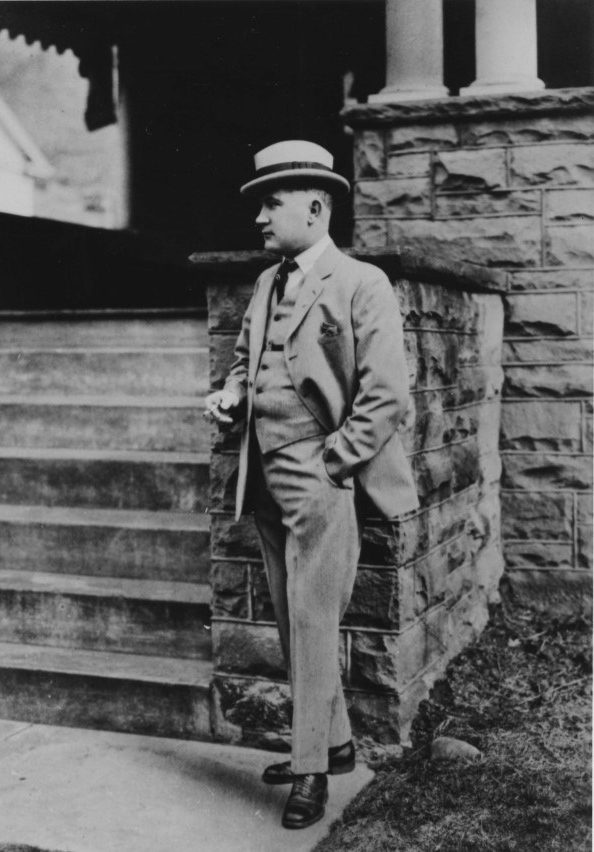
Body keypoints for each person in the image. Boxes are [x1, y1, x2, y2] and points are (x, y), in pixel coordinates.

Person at [205, 140, 419, 830]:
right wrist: (231, 395)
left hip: (318, 472)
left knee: (314, 617)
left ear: (316, 206)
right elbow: (244, 360)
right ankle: (332, 742)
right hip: (262, 471)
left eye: (271, 202)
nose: (260, 219)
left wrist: (335, 463)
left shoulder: (362, 283)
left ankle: (311, 772)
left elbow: (385, 394)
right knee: (288, 612)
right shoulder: (268, 283)